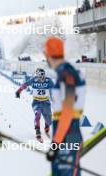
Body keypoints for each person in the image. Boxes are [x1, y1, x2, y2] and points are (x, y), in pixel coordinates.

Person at [44, 36, 85, 176]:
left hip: (68, 135)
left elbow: (67, 112)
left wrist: (55, 143)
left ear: (48, 55)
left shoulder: (67, 74)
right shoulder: (64, 72)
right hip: (64, 134)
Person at [15, 68, 54, 142]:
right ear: (37, 75)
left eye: (43, 75)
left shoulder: (48, 80)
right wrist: (18, 91)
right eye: (40, 76)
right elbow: (25, 85)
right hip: (36, 102)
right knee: (37, 114)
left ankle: (47, 126)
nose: (41, 78)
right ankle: (37, 130)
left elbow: (56, 88)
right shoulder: (34, 80)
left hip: (46, 102)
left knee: (48, 119)